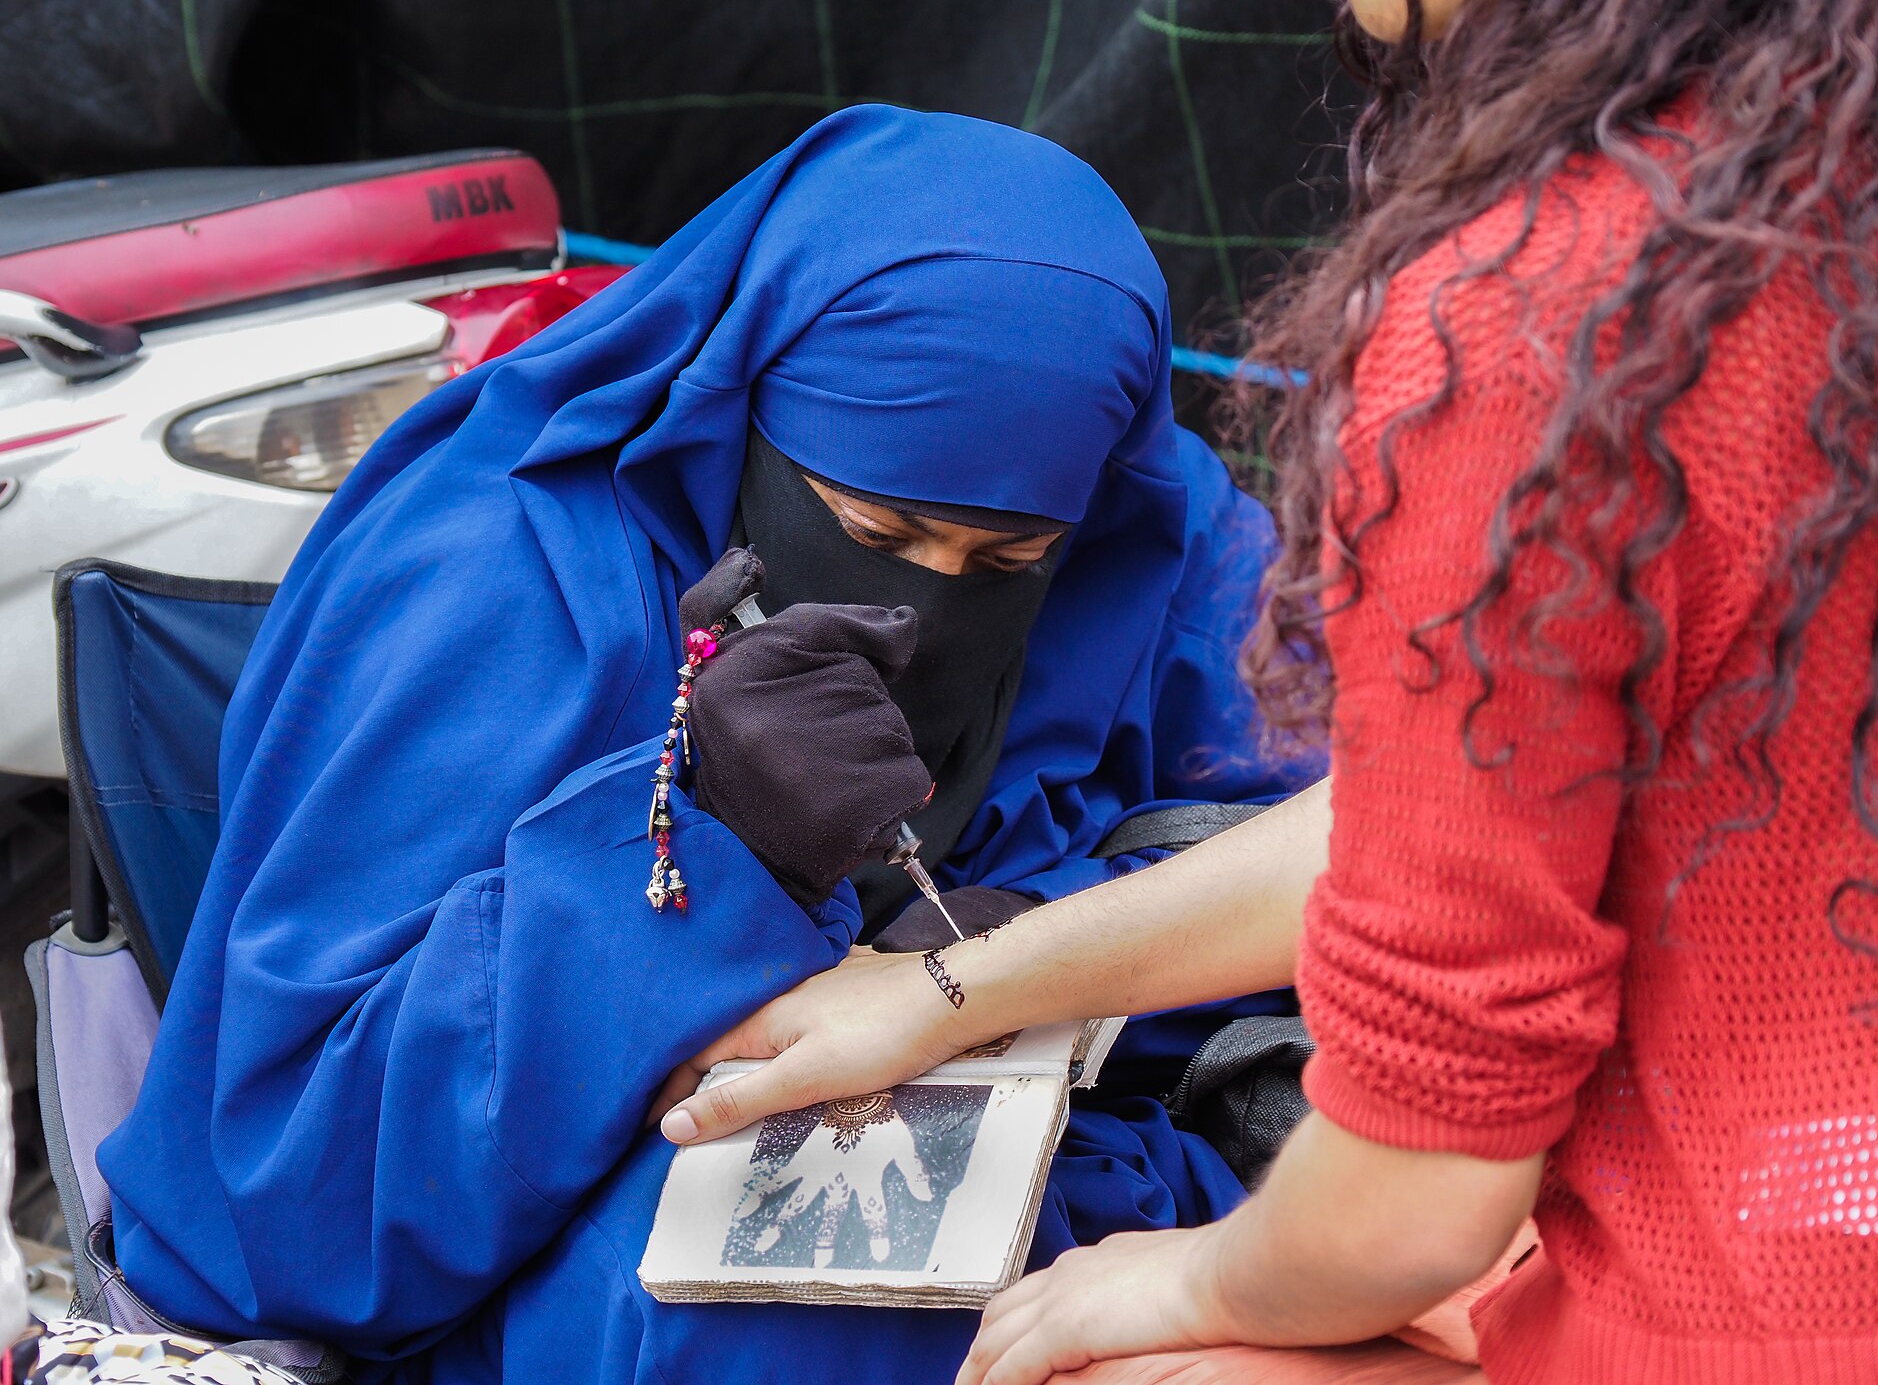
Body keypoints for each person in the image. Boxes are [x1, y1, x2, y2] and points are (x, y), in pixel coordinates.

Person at [656, 0, 1878, 1381]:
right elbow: (1421, 826)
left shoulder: (1542, 333)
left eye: (1009, 560)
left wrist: (1185, 1288)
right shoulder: (1842, 214)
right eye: (879, 533)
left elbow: (1419, 1175)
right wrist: (950, 988)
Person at [96, 105, 1323, 1385]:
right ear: (744, 410)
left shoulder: (1154, 543)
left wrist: (1034, 950)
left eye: (1009, 563)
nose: (931, 608)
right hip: (533, 1272)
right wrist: (713, 842)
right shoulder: (498, 583)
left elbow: (1377, 872)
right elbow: (283, 1207)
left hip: (1061, 1171)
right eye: (876, 531)